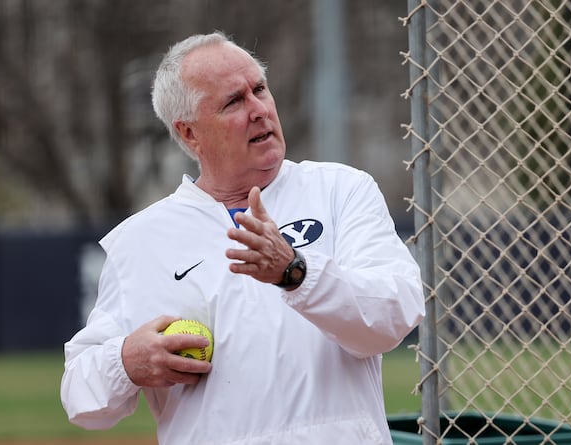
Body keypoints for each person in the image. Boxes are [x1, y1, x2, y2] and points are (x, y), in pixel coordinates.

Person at [60, 31, 425, 445]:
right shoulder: (141, 241)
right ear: (189, 133)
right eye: (233, 102)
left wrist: (297, 273)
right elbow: (80, 397)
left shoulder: (341, 190)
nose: (259, 110)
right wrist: (125, 362)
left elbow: (395, 312)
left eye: (260, 89)